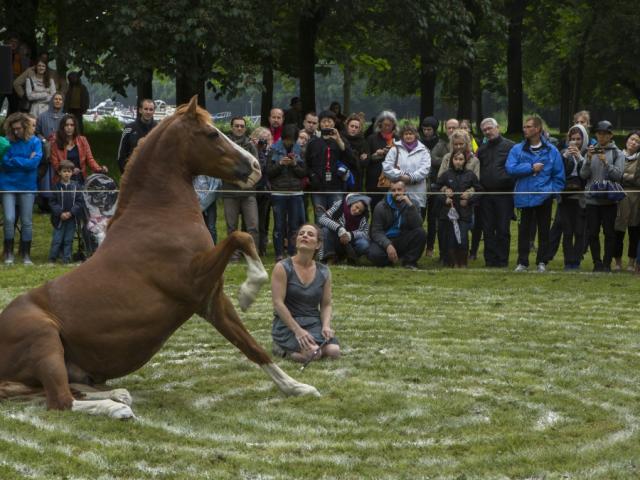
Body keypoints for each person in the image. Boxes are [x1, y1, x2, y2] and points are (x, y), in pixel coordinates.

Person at [271, 223, 340, 363]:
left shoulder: (324, 271)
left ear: (318, 245)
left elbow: (326, 304)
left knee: (334, 351)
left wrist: (326, 326)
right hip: (288, 324)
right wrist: (298, 331)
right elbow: (278, 304)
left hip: (313, 322)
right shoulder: (282, 267)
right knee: (314, 353)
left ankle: (308, 349)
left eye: (310, 234)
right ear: (296, 242)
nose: (304, 236)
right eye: (301, 233)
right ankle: (282, 349)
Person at [506, 115, 565, 272]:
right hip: (523, 195)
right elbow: (510, 169)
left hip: (544, 197)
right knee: (524, 230)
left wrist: (552, 192)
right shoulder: (516, 149)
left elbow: (559, 176)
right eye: (524, 127)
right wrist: (531, 168)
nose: (525, 129)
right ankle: (522, 262)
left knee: (544, 230)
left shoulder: (552, 151)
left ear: (538, 129)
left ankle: (542, 261)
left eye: (529, 126)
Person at [580, 120, 625, 272]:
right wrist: (588, 160)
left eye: (604, 133)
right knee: (592, 233)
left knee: (609, 233)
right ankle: (597, 263)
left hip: (609, 201)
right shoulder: (591, 151)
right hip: (592, 199)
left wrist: (606, 163)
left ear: (610, 135)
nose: (601, 136)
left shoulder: (617, 153)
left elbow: (618, 176)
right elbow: (583, 175)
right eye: (599, 133)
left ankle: (606, 263)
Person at [1, 112, 43, 265]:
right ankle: (9, 254)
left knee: (27, 221)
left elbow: (34, 164)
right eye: (14, 129)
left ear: (25, 127)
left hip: (27, 185)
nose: (16, 131)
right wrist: (25, 161)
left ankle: (26, 255)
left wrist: (15, 161)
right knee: (9, 218)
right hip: (7, 185)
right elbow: (4, 162)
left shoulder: (36, 142)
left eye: (19, 128)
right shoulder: (5, 142)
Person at [477, 118, 515, 268]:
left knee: (503, 229)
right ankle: (490, 260)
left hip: (504, 194)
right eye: (484, 130)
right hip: (486, 195)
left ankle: (502, 260)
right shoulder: (481, 149)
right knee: (487, 229)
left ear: (497, 127)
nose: (488, 132)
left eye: (490, 128)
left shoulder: (511, 146)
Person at [434, 151, 482, 267]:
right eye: (456, 159)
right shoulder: (446, 174)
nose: (458, 162)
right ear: (452, 160)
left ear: (464, 161)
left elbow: (480, 191)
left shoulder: (470, 175)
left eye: (461, 159)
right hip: (449, 212)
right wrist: (444, 198)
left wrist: (469, 199)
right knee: (450, 238)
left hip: (465, 212)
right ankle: (451, 262)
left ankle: (463, 263)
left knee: (463, 237)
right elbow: (435, 189)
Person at [305, 109, 354, 221]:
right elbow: (307, 164)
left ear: (334, 123)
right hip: (318, 188)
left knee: (337, 218)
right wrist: (312, 177)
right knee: (320, 218)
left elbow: (351, 159)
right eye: (324, 121)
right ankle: (321, 238)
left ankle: (335, 239)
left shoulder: (341, 140)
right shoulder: (313, 142)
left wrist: (339, 141)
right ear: (319, 124)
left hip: (336, 186)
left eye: (330, 121)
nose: (327, 124)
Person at [267, 124, 307, 261]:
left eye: (291, 140)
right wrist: (280, 164)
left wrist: (295, 164)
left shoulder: (300, 151)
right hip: (278, 193)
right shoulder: (273, 150)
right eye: (287, 139)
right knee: (279, 225)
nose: (289, 142)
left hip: (295, 193)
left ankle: (292, 253)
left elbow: (303, 173)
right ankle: (279, 253)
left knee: (294, 225)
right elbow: (269, 173)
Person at [368, 180, 427, 269]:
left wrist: (410, 205)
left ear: (404, 190)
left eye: (399, 189)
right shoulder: (381, 206)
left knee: (421, 233)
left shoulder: (413, 204)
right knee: (374, 254)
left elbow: (418, 225)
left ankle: (409, 262)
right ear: (390, 191)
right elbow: (376, 231)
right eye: (393, 190)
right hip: (386, 238)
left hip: (403, 237)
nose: (396, 193)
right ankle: (390, 259)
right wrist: (388, 245)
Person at [223, 116, 260, 259]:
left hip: (248, 191)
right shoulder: (225, 144)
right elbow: (224, 167)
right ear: (231, 127)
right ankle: (233, 254)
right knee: (232, 227)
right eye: (236, 126)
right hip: (230, 191)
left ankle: (252, 254)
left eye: (242, 126)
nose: (239, 128)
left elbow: (256, 167)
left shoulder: (250, 145)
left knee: (253, 226)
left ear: (245, 128)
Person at [557, 124, 589, 270]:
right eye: (573, 139)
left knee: (579, 231)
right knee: (567, 231)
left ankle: (576, 261)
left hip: (581, 198)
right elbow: (558, 172)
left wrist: (580, 157)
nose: (575, 142)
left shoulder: (588, 153)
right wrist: (565, 157)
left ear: (584, 139)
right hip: (565, 197)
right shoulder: (563, 153)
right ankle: (568, 261)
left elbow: (587, 174)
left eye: (578, 139)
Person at [382, 123, 431, 219]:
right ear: (402, 135)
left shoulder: (424, 150)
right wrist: (401, 176)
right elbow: (386, 167)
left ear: (415, 135)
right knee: (396, 221)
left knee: (416, 222)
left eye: (411, 133)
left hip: (417, 193)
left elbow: (425, 169)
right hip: (397, 193)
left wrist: (410, 178)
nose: (408, 136)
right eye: (406, 134)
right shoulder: (394, 149)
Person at [419, 116, 448, 258]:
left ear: (434, 129)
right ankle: (418, 245)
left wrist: (431, 159)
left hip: (437, 184)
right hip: (421, 185)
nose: (426, 132)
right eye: (424, 129)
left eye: (429, 129)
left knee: (433, 219)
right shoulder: (418, 143)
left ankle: (430, 247)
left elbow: (447, 160)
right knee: (419, 217)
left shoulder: (442, 144)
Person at [51, 114, 108, 184]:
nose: (69, 127)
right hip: (62, 181)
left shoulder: (83, 140)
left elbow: (90, 160)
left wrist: (100, 169)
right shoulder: (55, 143)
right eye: (66, 125)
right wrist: (70, 170)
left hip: (80, 179)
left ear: (75, 127)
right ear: (62, 127)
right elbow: (56, 164)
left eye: (72, 125)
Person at [48, 160, 84, 263]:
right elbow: (52, 202)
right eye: (64, 171)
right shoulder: (55, 187)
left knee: (69, 240)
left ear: (72, 172)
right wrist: (60, 213)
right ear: (59, 172)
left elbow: (79, 202)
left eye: (69, 171)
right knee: (57, 240)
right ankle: (52, 259)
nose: (67, 173)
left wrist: (71, 213)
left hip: (72, 219)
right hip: (59, 219)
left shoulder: (77, 186)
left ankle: (66, 259)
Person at [318, 193, 371, 264]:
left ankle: (351, 258)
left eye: (360, 211)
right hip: (336, 239)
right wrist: (339, 228)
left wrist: (350, 235)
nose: (357, 211)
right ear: (352, 202)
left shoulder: (364, 216)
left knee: (364, 244)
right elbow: (322, 219)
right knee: (325, 230)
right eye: (356, 207)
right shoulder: (340, 204)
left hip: (351, 243)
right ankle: (328, 258)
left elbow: (365, 233)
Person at [613, 131, 640, 271]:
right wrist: (630, 176)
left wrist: (626, 177)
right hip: (619, 196)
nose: (633, 142)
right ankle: (617, 262)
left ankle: (631, 262)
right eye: (632, 139)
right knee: (618, 230)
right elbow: (614, 175)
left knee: (634, 230)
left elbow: (636, 178)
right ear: (627, 140)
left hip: (636, 197)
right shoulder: (618, 155)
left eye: (637, 141)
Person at [365, 111, 398, 210]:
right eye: (385, 125)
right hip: (374, 181)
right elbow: (367, 159)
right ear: (379, 124)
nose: (387, 127)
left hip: (393, 180)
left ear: (394, 125)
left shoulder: (398, 139)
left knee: (392, 208)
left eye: (390, 125)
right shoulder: (371, 138)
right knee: (375, 208)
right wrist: (376, 154)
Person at [249, 126, 273, 256]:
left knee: (264, 221)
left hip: (265, 190)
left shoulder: (272, 151)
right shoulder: (252, 149)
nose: (266, 141)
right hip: (253, 189)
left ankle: (262, 248)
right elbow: (258, 167)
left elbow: (267, 168)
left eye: (268, 138)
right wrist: (255, 148)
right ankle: (248, 246)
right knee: (251, 221)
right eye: (262, 138)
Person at [117, 98, 157, 173]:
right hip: (133, 173)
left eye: (151, 109)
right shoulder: (129, 128)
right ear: (140, 110)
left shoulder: (158, 128)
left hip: (152, 174)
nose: (148, 112)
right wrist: (125, 173)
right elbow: (121, 155)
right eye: (146, 109)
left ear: (154, 111)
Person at [1, 35, 31, 114]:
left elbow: (25, 70)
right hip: (2, 84)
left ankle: (10, 125)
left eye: (16, 42)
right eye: (12, 41)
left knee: (14, 107)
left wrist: (23, 56)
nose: (13, 44)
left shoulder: (21, 55)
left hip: (14, 85)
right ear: (8, 42)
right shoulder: (3, 52)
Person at [193, 174, 222, 244]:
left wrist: (205, 201)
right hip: (196, 201)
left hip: (210, 203)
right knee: (198, 227)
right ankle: (200, 247)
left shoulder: (211, 171)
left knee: (211, 227)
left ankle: (213, 248)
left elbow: (217, 186)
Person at [343, 114, 367, 192]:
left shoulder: (363, 142)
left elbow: (365, 162)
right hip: (341, 176)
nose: (353, 129)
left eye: (356, 127)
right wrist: (357, 157)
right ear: (347, 126)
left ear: (360, 129)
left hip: (356, 178)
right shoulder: (341, 139)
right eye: (352, 126)